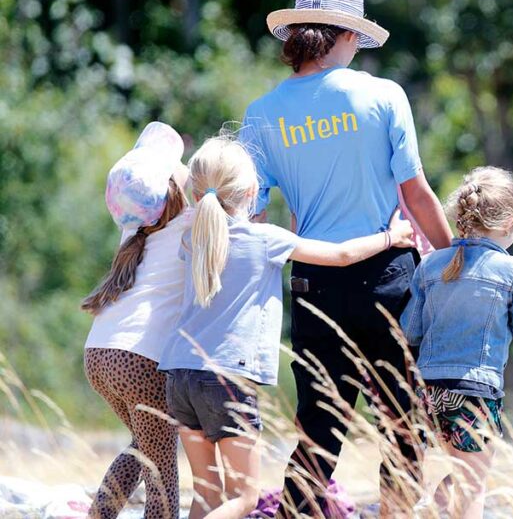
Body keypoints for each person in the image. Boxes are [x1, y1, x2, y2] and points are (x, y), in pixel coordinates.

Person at [240, 0, 452, 516]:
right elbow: (417, 193)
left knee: (319, 426)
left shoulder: (262, 115)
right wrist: (456, 258)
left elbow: (253, 212)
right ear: (347, 34)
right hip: (390, 277)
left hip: (314, 282)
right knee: (404, 424)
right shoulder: (384, 96)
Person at [156, 135, 417, 519]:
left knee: (207, 496)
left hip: (179, 375)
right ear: (251, 191)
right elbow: (342, 256)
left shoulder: (192, 239)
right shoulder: (266, 240)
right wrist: (392, 237)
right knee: (243, 499)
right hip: (227, 378)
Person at [400, 167, 513, 519]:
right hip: (475, 389)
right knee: (473, 483)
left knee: (463, 472)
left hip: (430, 391)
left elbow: (410, 332)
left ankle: (429, 507)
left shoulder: (430, 265)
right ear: (510, 223)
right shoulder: (512, 271)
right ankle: (429, 509)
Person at [82, 121, 191, 519]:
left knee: (145, 447)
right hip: (141, 360)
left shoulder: (131, 230)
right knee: (162, 473)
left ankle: (100, 514)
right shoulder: (191, 220)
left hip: (99, 354)